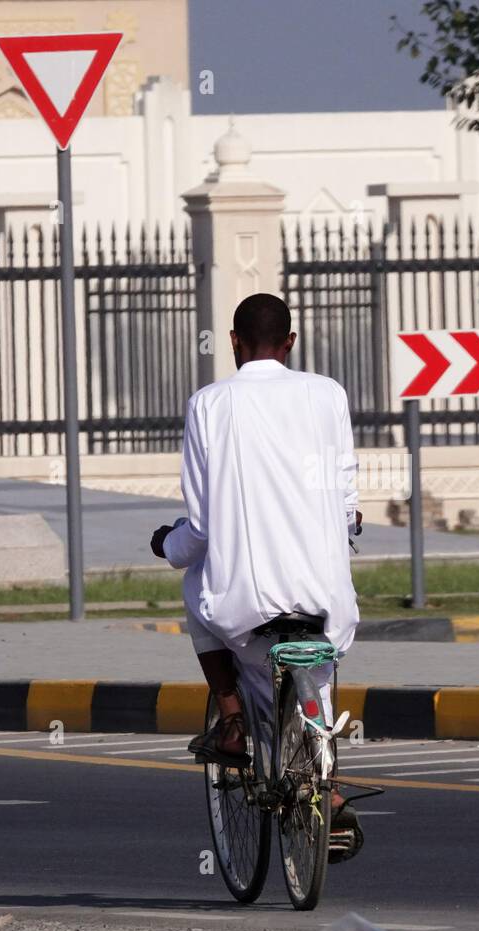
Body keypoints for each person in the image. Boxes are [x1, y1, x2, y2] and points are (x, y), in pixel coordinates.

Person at [150, 293, 362, 850]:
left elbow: (199, 525)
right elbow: (345, 497)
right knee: (316, 682)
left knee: (193, 585)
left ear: (234, 343)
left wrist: (168, 546)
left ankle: (232, 721)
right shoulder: (327, 394)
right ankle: (328, 788)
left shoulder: (209, 404)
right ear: (290, 342)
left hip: (246, 603)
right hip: (325, 601)